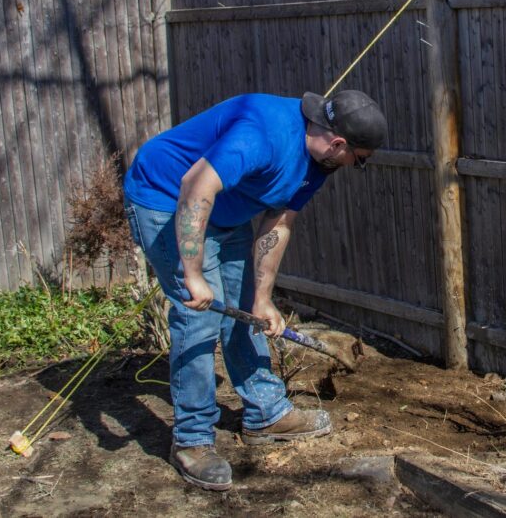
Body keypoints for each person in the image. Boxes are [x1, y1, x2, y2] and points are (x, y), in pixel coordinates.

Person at [123, 89, 387, 491]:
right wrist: (193, 273)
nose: (355, 166)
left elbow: (278, 224)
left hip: (225, 210)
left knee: (245, 309)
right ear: (338, 144)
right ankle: (192, 439)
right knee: (199, 318)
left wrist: (262, 301)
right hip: (166, 196)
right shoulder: (261, 132)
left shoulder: (318, 165)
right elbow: (195, 187)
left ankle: (265, 412)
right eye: (359, 159)